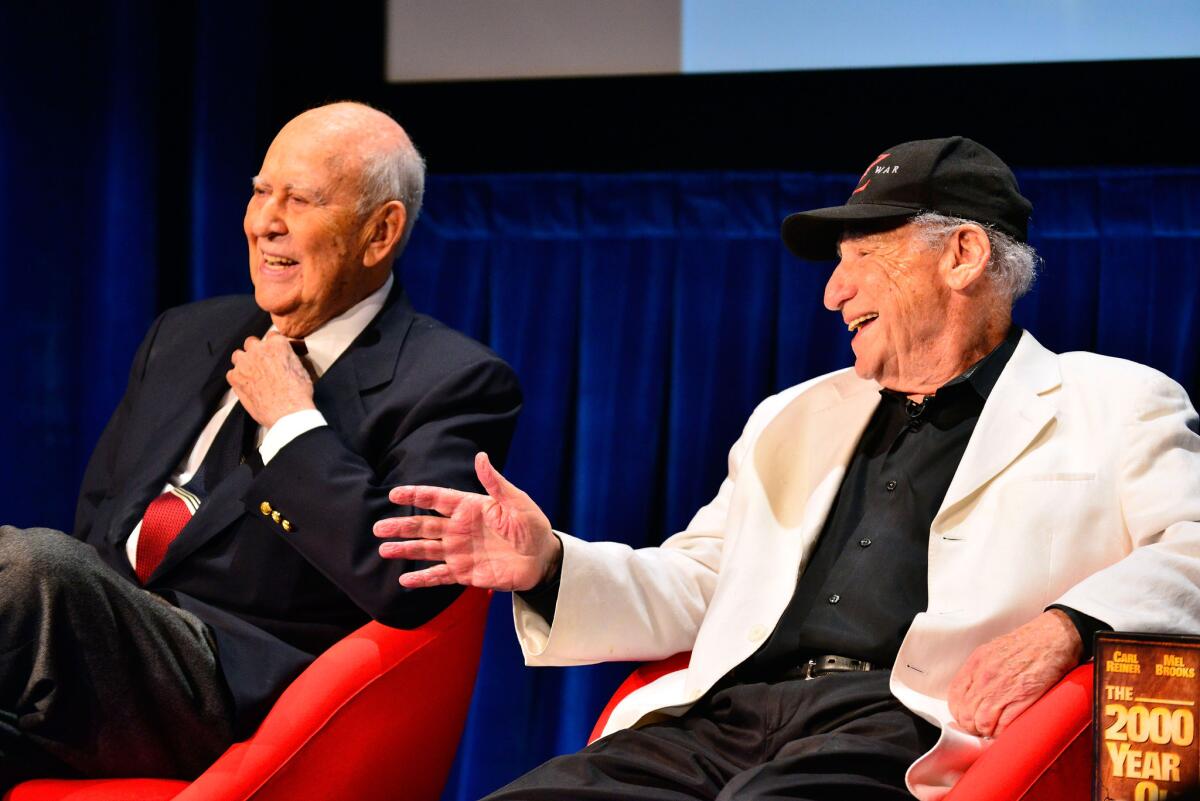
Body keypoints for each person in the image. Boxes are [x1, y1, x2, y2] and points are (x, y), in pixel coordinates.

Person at [375, 137, 1200, 800]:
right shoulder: (793, 414)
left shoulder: (1116, 401)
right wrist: (549, 561)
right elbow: (700, 581)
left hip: (901, 723)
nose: (832, 293)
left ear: (963, 255)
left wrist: (1065, 627)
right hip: (725, 718)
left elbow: (1192, 545)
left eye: (862, 256)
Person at [0, 102, 521, 788]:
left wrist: (293, 424)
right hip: (92, 667)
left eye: (299, 198)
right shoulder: (184, 335)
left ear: (380, 232)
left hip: (235, 695)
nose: (262, 221)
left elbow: (405, 577)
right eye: (258, 190)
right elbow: (101, 517)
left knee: (29, 566)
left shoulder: (453, 382)